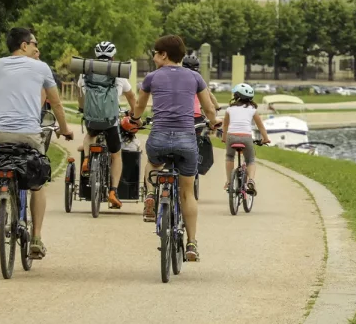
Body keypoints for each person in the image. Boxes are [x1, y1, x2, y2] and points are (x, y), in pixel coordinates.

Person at [0, 27, 74, 260]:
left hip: (0, 133)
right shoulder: (41, 68)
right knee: (37, 184)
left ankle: (1, 196)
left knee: (1, 159)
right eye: (34, 44)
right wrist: (64, 129)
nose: (36, 48)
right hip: (29, 135)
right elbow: (56, 103)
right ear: (23, 45)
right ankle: (37, 238)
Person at [133, 35, 216, 261]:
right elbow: (208, 108)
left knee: (152, 162)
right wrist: (214, 122)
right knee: (187, 192)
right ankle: (191, 243)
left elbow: (140, 105)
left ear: (164, 55)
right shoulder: (195, 77)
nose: (153, 56)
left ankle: (150, 193)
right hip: (186, 140)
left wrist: (134, 119)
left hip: (159, 137)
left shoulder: (151, 77)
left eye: (155, 52)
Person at [76, 41, 137, 209]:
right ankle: (113, 191)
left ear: (96, 56)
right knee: (116, 155)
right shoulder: (118, 73)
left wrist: (82, 109)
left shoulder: (86, 72)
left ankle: (87, 159)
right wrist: (133, 113)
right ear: (113, 56)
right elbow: (131, 97)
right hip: (110, 121)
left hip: (92, 118)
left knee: (90, 135)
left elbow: (80, 94)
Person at [221, 83, 272, 196]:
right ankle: (251, 181)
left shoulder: (230, 109)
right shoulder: (252, 110)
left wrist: (224, 138)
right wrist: (266, 139)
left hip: (231, 136)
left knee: (229, 157)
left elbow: (225, 126)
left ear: (236, 96)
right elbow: (260, 126)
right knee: (250, 160)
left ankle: (229, 181)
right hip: (246, 137)